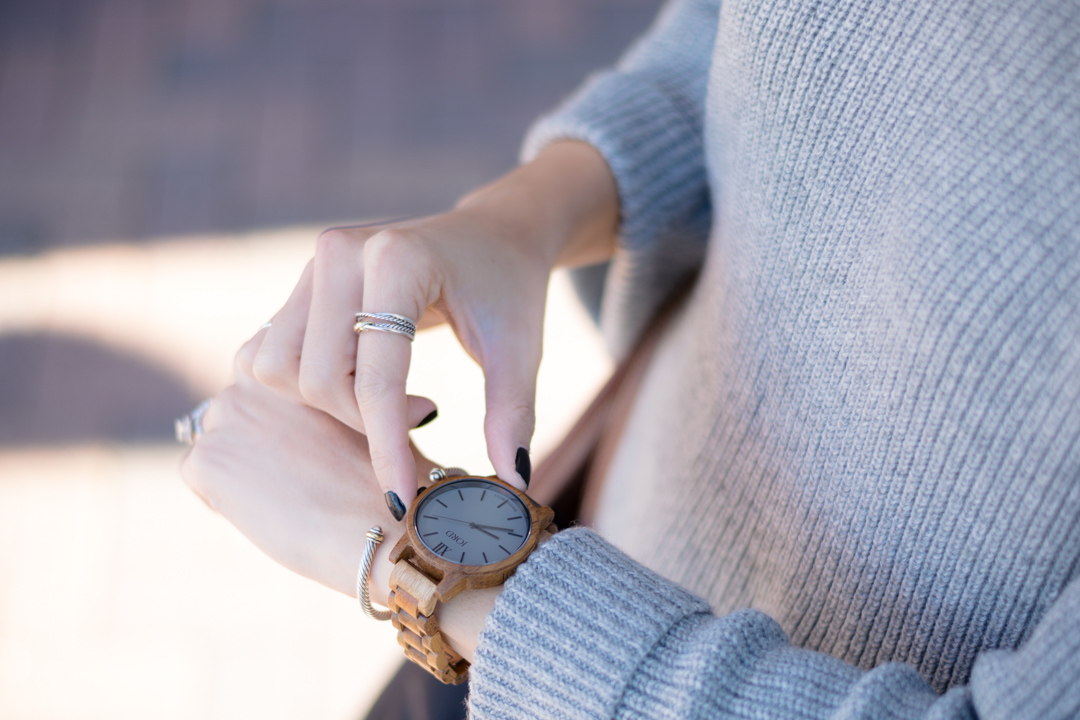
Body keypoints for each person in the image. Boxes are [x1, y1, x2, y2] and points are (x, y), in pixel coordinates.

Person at [180, 0, 1080, 717]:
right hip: (575, 563)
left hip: (531, 623)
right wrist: (519, 219)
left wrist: (408, 565)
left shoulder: (439, 584)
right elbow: (742, 35)